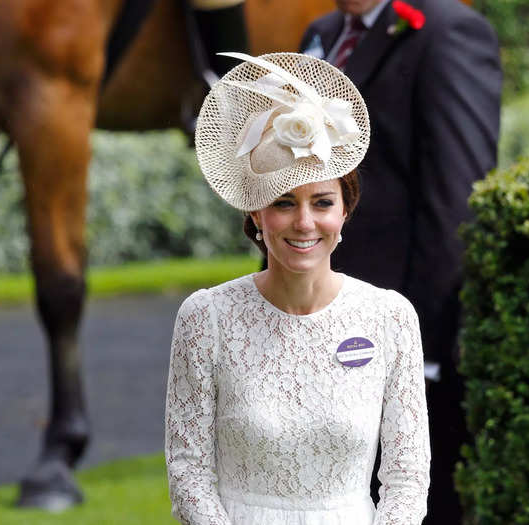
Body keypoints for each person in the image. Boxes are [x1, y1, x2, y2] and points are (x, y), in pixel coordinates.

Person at [165, 52, 430, 524]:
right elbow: (188, 473)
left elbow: (407, 479)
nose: (304, 222)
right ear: (255, 214)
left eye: (322, 202)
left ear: (344, 211)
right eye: (284, 202)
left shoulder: (391, 318)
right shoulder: (206, 318)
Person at [299, 1, 502, 522]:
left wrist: (421, 349)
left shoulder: (448, 33)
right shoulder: (320, 35)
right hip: (311, 324)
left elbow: (457, 201)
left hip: (400, 337)